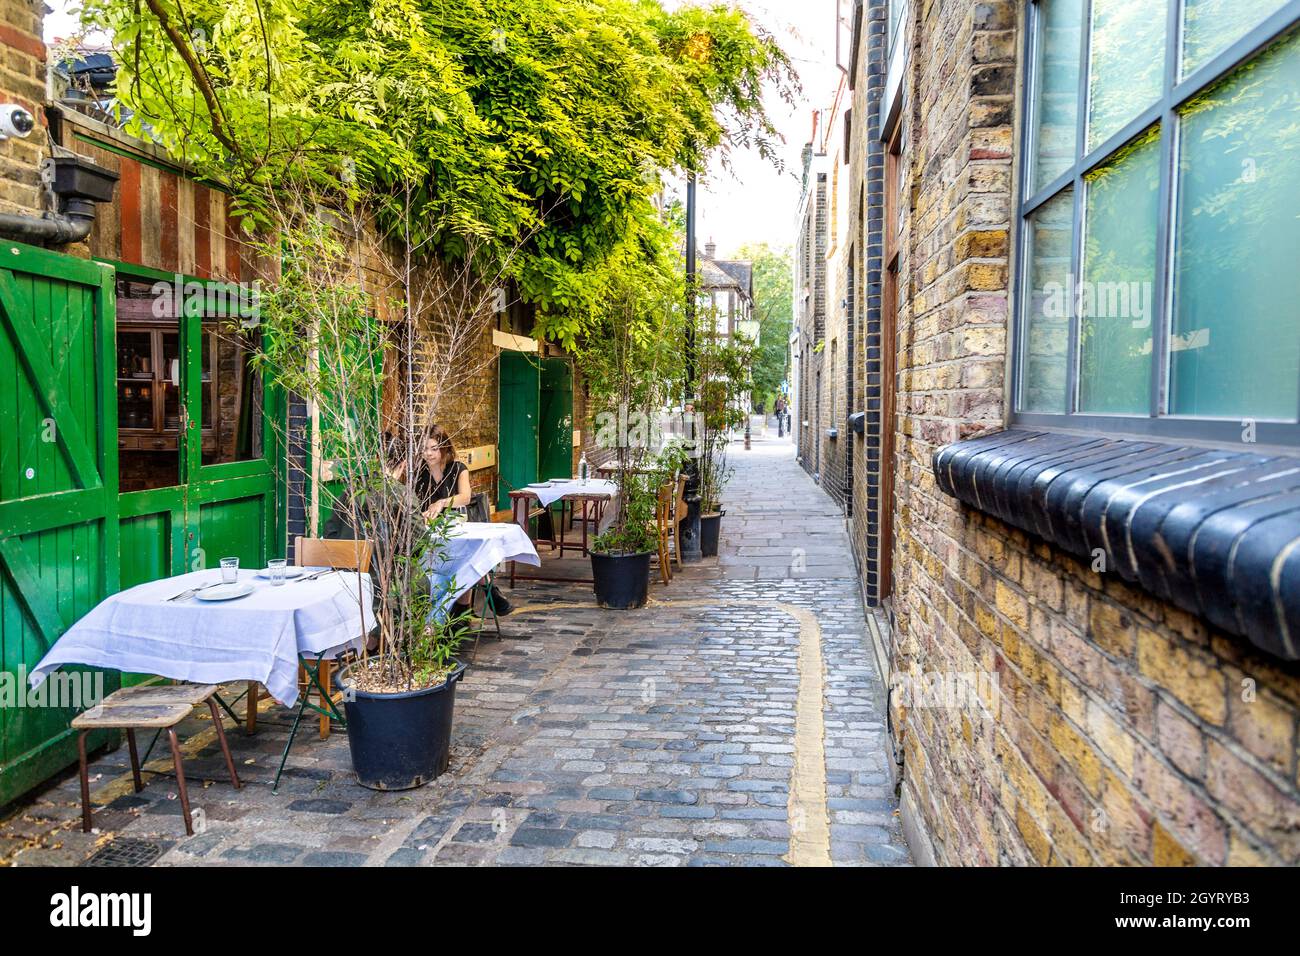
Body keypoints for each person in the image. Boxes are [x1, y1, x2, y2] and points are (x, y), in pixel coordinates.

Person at [392, 423, 512, 618]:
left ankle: (464, 607)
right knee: (463, 557)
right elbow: (412, 503)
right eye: (424, 449)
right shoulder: (417, 474)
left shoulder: (457, 469)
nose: (428, 454)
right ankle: (488, 591)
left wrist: (441, 503)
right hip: (430, 534)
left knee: (466, 552)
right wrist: (420, 514)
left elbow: (465, 497)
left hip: (457, 526)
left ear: (444, 447)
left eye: (433, 448)